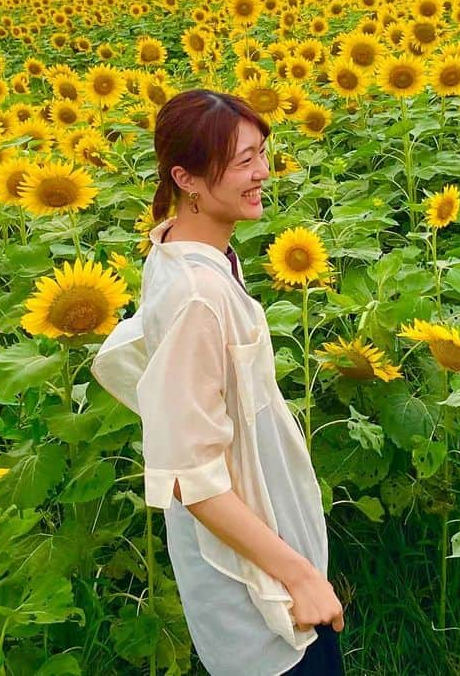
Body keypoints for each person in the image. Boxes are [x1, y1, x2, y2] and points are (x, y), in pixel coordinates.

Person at [91, 89, 347, 676]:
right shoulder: (198, 296)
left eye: (262, 154)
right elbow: (190, 477)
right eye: (242, 162)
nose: (262, 174)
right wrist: (299, 575)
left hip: (267, 535)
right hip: (254, 568)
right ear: (187, 179)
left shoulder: (180, 248)